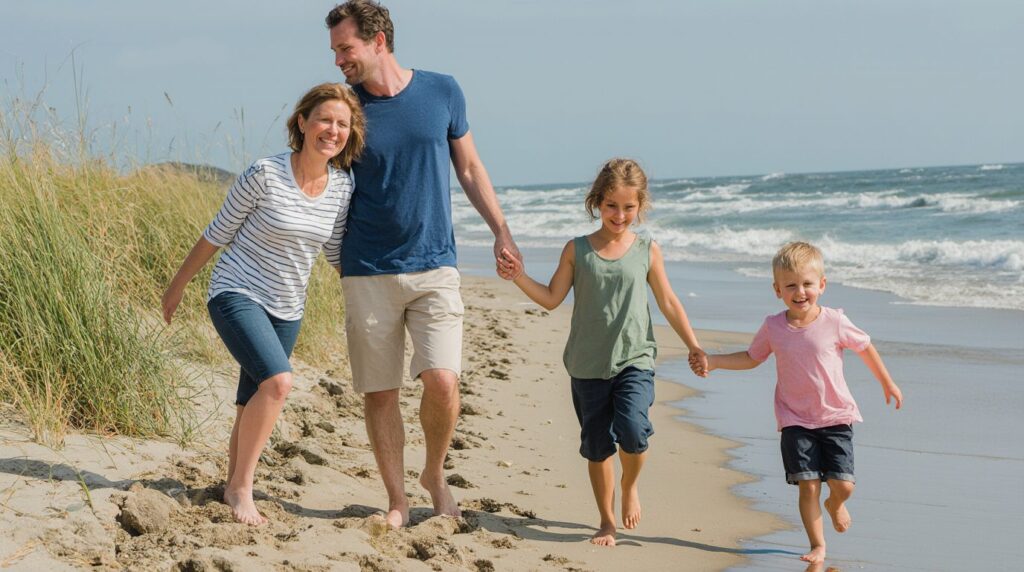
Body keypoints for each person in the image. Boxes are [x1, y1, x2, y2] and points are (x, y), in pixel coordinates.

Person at [324, 1, 519, 528]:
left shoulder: (442, 91)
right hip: (366, 269)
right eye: (336, 51)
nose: (339, 60)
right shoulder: (346, 108)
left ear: (379, 40)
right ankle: (396, 499)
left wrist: (501, 229)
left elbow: (471, 167)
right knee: (381, 390)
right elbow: (319, 179)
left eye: (347, 48)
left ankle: (434, 473)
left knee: (442, 381)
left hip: (435, 264)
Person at [161, 83, 365, 525]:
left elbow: (333, 251)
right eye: (325, 120)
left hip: (288, 306)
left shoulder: (342, 188)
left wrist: (368, 290)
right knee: (278, 383)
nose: (333, 130)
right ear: (302, 123)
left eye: (342, 124)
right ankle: (240, 490)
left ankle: (231, 481)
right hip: (236, 292)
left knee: (250, 400)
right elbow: (218, 231)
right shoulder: (265, 174)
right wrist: (178, 285)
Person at [499, 158, 707, 546]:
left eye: (629, 207)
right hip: (587, 364)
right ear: (597, 202)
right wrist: (518, 277)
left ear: (640, 206)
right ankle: (606, 521)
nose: (620, 214)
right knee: (596, 447)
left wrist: (693, 344)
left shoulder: (647, 249)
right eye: (612, 205)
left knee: (632, 429)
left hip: (635, 359)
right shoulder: (577, 251)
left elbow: (668, 302)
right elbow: (550, 298)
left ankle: (630, 485)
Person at [692, 241, 904, 564]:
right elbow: (752, 358)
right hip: (794, 420)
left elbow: (865, 347)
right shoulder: (774, 327)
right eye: (791, 285)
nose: (800, 291)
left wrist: (887, 382)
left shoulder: (834, 321)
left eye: (807, 284)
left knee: (843, 485)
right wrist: (716, 361)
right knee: (807, 485)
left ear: (822, 284)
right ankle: (818, 544)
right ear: (777, 289)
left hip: (835, 417)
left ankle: (835, 504)